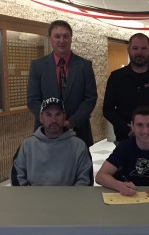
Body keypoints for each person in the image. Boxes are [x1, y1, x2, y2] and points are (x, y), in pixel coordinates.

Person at [27, 20, 97, 184]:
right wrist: (50, 121)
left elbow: (90, 98)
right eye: (57, 36)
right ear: (50, 39)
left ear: (71, 38)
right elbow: (32, 99)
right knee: (47, 178)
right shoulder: (38, 66)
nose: (61, 40)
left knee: (80, 179)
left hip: (78, 131)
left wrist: (71, 122)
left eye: (65, 36)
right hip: (46, 134)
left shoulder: (84, 66)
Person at [103, 33, 149, 144]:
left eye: (143, 48)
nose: (139, 52)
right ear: (128, 50)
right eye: (135, 48)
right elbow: (108, 109)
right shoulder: (116, 77)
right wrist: (129, 128)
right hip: (125, 137)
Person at [11, 97, 92, 186]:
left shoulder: (79, 146)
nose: (54, 120)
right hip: (34, 198)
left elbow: (85, 182)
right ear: (41, 118)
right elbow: (17, 180)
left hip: (69, 199)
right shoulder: (27, 146)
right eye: (48, 114)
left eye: (58, 114)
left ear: (64, 117)